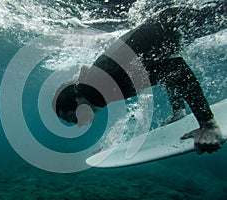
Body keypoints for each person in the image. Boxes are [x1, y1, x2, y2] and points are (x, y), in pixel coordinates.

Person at [52, 2, 226, 154]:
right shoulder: (93, 85)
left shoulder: (98, 90)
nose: (77, 124)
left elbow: (177, 69)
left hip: (175, 23)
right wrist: (178, 111)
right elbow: (168, 70)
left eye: (71, 118)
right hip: (171, 22)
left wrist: (208, 125)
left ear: (77, 101)